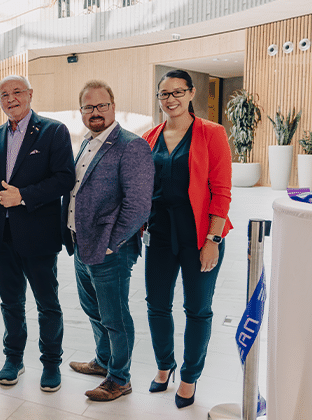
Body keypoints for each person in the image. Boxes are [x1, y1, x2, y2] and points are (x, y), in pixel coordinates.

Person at [142, 69, 232, 409]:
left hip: (200, 235)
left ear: (191, 93)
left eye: (178, 92)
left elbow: (222, 190)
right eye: (164, 94)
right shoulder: (150, 137)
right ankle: (165, 365)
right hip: (160, 235)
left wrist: (214, 238)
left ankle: (189, 376)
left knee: (197, 309)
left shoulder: (212, 133)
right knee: (157, 306)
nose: (171, 99)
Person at [65, 80, 154, 401]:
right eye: (89, 107)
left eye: (102, 105)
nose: (96, 112)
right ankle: (103, 361)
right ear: (81, 112)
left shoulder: (131, 145)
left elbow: (139, 204)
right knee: (92, 309)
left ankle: (120, 378)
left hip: (110, 249)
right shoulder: (86, 143)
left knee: (114, 315)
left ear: (113, 107)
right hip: (82, 243)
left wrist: (110, 243)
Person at [0, 75, 75, 392]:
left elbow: (65, 179)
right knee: (10, 303)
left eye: (17, 92)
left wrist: (22, 195)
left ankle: (51, 363)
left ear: (30, 94)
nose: (10, 99)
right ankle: (14, 359)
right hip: (3, 235)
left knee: (47, 303)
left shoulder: (53, 131)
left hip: (38, 235)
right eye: (4, 95)